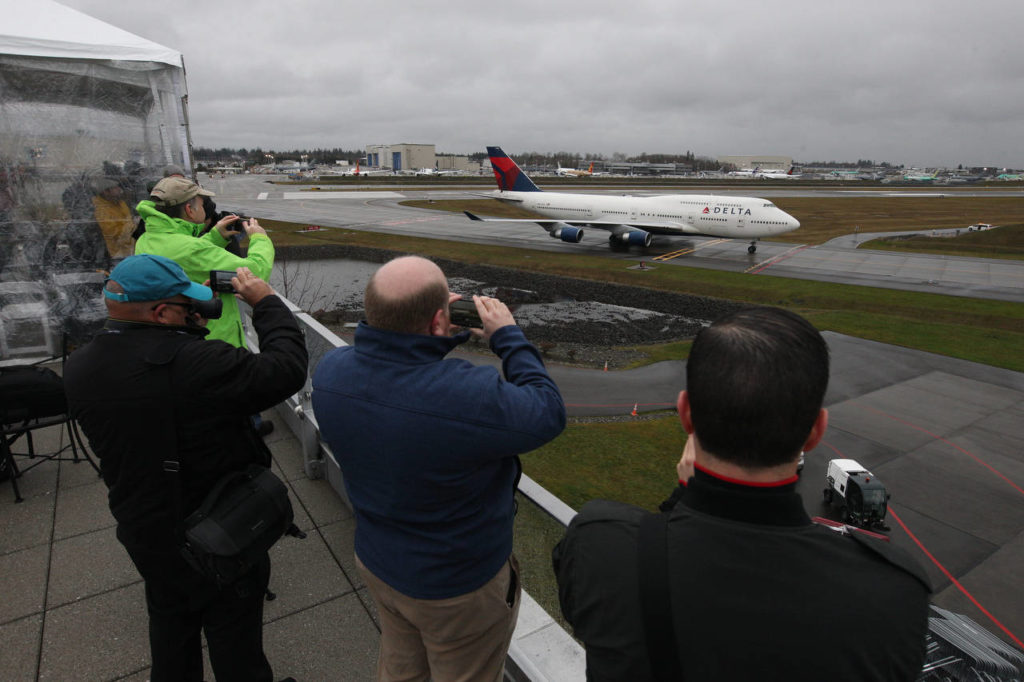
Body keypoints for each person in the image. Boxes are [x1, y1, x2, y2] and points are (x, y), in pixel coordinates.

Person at [552, 306, 932, 682]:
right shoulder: (895, 595)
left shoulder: (599, 545)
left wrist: (681, 497)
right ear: (815, 432)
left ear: (686, 415)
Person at [311, 255, 566, 682]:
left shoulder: (331, 372)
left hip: (378, 559)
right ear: (437, 321)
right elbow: (547, 411)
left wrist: (432, 333)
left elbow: (400, 377)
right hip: (456, 587)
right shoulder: (466, 395)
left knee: (400, 667)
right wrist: (508, 337)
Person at [64, 254, 307, 682]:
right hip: (218, 530)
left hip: (144, 527)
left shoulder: (80, 365)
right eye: (185, 305)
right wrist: (267, 303)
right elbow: (285, 370)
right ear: (160, 313)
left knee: (171, 625)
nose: (196, 311)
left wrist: (185, 328)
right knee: (235, 637)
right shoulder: (197, 365)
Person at [134, 176, 272, 348]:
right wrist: (260, 238)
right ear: (189, 210)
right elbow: (256, 273)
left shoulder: (147, 239)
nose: (204, 207)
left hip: (176, 339)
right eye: (200, 204)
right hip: (213, 343)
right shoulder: (190, 249)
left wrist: (215, 237)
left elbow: (186, 257)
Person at [91, 177, 135, 259]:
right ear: (106, 192)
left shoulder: (120, 203)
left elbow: (129, 221)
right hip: (116, 253)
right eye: (115, 188)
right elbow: (113, 232)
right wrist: (133, 229)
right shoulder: (100, 208)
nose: (119, 190)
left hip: (129, 249)